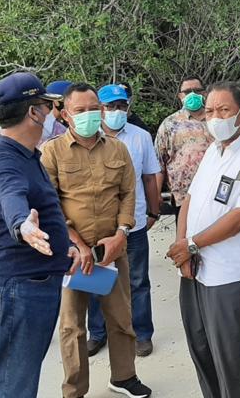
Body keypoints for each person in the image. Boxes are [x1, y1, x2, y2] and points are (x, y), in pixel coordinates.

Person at [165, 81, 240, 398]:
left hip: (230, 272)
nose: (216, 117)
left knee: (228, 356)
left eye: (224, 110)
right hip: (194, 266)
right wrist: (183, 249)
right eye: (211, 110)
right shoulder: (214, 149)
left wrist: (190, 245)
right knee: (201, 348)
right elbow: (189, 199)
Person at [41, 82, 152, 398]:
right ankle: (74, 389)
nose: (90, 114)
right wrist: (75, 243)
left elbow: (128, 193)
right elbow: (50, 205)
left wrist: (122, 234)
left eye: (94, 108)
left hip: (112, 249)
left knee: (121, 317)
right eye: (81, 110)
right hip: (73, 255)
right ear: (65, 114)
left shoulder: (117, 148)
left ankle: (124, 377)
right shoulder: (52, 152)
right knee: (72, 327)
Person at [0, 73, 69, 397]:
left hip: (27, 285)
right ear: (34, 112)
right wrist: (22, 225)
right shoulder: (4, 160)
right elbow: (10, 196)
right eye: (47, 107)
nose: (50, 114)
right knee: (11, 388)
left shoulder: (23, 154)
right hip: (19, 287)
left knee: (12, 381)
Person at [86, 84, 162, 358]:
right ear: (100, 109)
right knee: (97, 278)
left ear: (128, 107)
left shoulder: (141, 137)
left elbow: (150, 177)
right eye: (110, 106)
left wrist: (154, 212)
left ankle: (142, 334)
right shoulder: (87, 136)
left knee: (138, 281)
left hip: (135, 223)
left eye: (121, 106)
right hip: (98, 224)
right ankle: (98, 332)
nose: (116, 111)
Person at [155, 77, 214, 221]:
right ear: (180, 96)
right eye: (187, 92)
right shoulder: (169, 124)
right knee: (184, 239)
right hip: (183, 196)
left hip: (215, 195)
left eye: (197, 90)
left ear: (205, 93)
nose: (192, 94)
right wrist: (156, 195)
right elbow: (158, 163)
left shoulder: (216, 120)